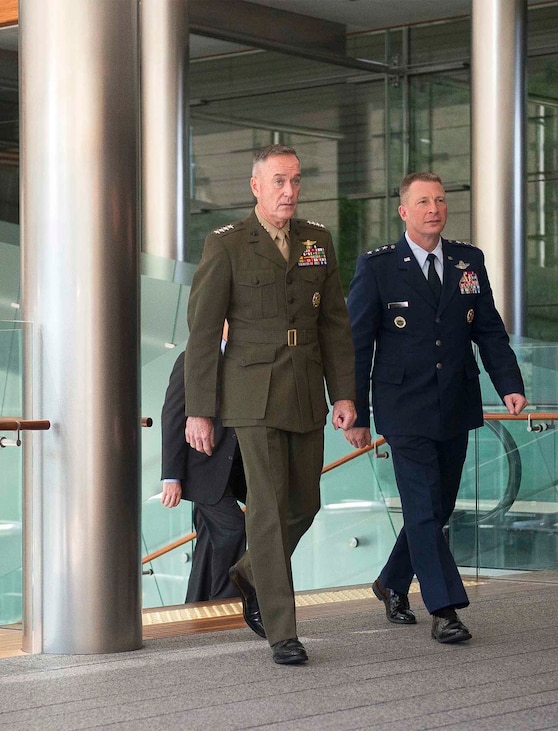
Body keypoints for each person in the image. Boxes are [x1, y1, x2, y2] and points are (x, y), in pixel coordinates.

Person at [183, 143, 357, 665]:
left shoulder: (317, 242)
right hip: (250, 394)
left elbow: (335, 325)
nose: (289, 191)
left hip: (304, 390)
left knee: (306, 504)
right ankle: (283, 630)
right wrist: (199, 409)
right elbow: (203, 331)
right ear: (256, 187)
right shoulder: (228, 245)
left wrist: (344, 392)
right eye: (279, 181)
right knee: (266, 509)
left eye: (296, 181)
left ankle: (249, 571)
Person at [344, 171, 527, 645]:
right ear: (403, 211)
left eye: (441, 200)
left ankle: (390, 582)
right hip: (403, 406)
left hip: (456, 403)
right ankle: (445, 608)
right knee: (422, 506)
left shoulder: (468, 260)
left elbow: (488, 328)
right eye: (423, 201)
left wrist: (508, 383)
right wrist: (356, 412)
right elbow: (357, 346)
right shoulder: (378, 267)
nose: (434, 209)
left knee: (437, 507)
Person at [160, 340, 246, 605]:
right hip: (203, 472)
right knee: (234, 530)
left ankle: (196, 603)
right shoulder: (192, 359)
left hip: (238, 470)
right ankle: (226, 602)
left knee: (210, 542)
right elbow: (172, 417)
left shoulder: (248, 356)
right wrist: (171, 477)